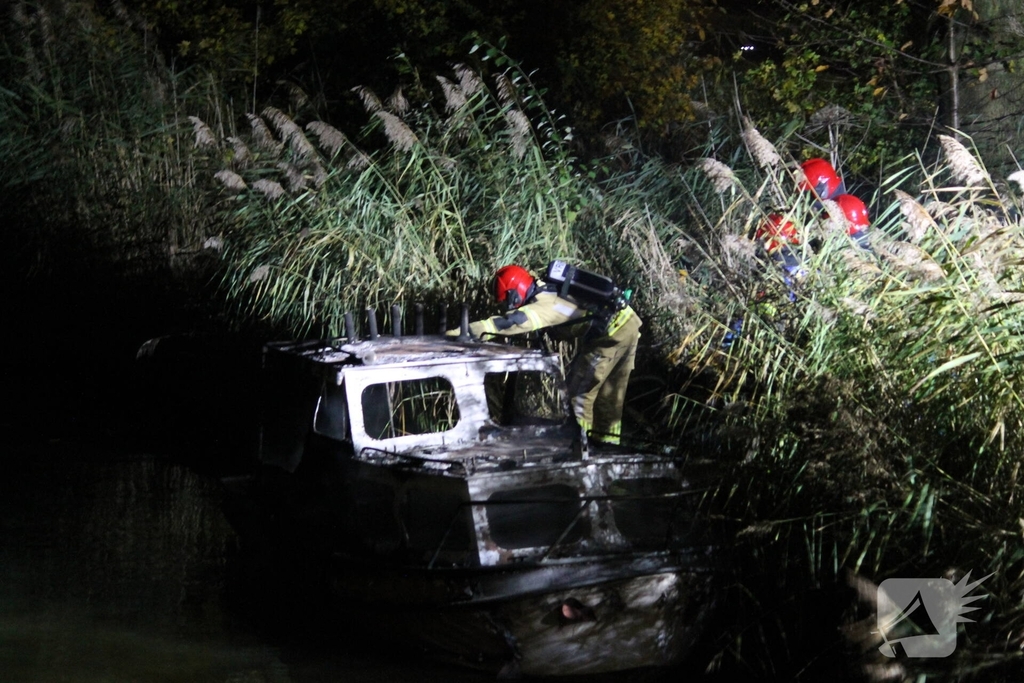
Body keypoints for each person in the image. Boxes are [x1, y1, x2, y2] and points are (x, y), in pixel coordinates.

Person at [453, 264, 642, 446]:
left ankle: (579, 446)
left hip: (610, 336)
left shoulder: (543, 306)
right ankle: (608, 446)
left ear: (513, 295)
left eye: (505, 301)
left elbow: (508, 323)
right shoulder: (547, 287)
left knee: (580, 395)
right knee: (610, 397)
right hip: (628, 322)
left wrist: (457, 333)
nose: (506, 306)